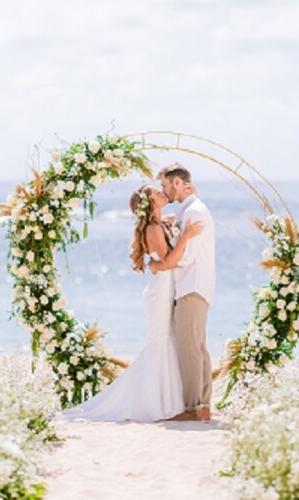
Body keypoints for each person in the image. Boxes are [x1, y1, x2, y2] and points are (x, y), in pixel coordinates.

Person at [60, 185, 203, 421]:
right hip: (161, 290)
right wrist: (186, 237)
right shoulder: (153, 229)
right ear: (150, 202)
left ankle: (167, 401)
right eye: (157, 192)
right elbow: (167, 262)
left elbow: (168, 243)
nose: (161, 192)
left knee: (167, 340)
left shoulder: (161, 223)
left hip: (166, 285)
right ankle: (157, 404)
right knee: (160, 342)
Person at [150, 163, 215, 422]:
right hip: (197, 286)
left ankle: (192, 408)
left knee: (189, 349)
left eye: (165, 185)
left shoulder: (194, 212)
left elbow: (185, 257)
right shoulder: (189, 210)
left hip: (191, 286)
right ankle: (203, 406)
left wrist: (161, 263)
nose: (164, 191)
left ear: (178, 183)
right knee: (198, 348)